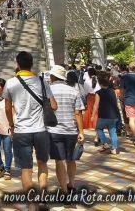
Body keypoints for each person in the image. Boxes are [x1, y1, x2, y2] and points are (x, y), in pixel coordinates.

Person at [3, 51, 57, 211]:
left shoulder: (11, 83)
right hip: (41, 130)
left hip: (21, 131)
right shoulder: (42, 82)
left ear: (18, 64)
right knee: (42, 163)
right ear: (31, 64)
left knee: (26, 169)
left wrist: (12, 125)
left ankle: (32, 205)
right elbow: (54, 106)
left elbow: (7, 108)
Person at [46, 65, 84, 198]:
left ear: (52, 76)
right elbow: (78, 113)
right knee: (71, 159)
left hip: (53, 130)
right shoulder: (73, 90)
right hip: (71, 130)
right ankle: (71, 184)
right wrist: (81, 132)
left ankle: (63, 190)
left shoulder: (48, 91)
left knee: (59, 161)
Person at [91, 72, 120, 155]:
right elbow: (116, 103)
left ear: (99, 83)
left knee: (99, 128)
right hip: (113, 115)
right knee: (113, 132)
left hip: (103, 115)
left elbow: (96, 105)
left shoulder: (98, 92)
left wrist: (93, 115)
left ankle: (105, 143)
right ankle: (114, 149)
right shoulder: (113, 91)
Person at [119, 63, 135, 145]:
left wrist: (122, 98)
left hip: (129, 100)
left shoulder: (124, 77)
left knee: (131, 119)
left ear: (129, 68)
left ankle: (134, 136)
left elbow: (122, 90)